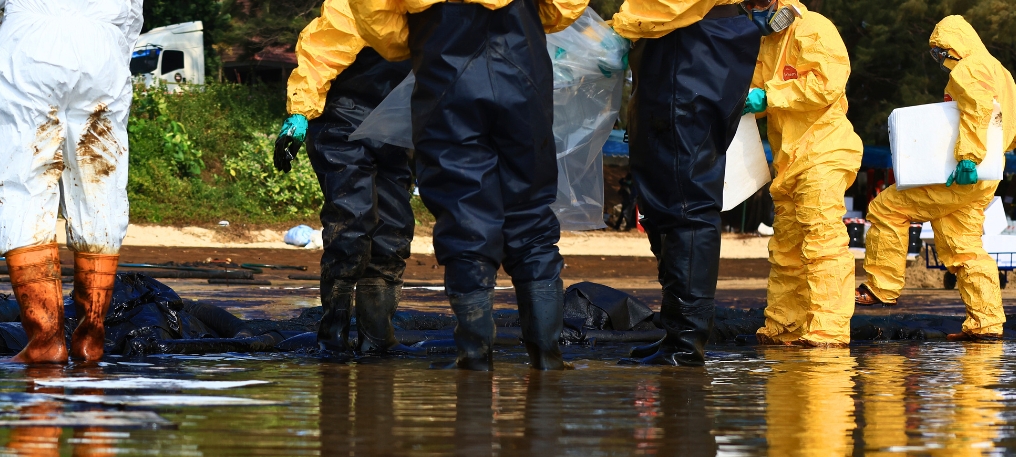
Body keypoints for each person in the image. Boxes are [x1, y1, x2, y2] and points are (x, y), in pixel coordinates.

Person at [348, 0, 593, 370]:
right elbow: (565, 6)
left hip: (445, 63)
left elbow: (377, 20)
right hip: (521, 59)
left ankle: (475, 356)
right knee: (530, 211)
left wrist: (416, 36)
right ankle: (547, 356)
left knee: (463, 210)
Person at [0, 0, 142, 363]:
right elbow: (132, 17)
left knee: (24, 184)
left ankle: (46, 341)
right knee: (100, 186)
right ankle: (91, 339)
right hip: (103, 50)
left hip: (30, 48)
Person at [612, 0, 761, 366]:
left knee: (685, 199)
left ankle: (686, 341)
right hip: (688, 44)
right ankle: (678, 331)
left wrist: (620, 24)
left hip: (690, 45)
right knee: (664, 194)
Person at [857, 15, 1015, 342]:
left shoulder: (970, 68)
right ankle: (985, 325)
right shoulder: (1001, 71)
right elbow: (1004, 122)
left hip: (965, 171)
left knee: (887, 208)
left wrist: (969, 157)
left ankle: (881, 287)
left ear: (952, 45)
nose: (939, 59)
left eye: (939, 51)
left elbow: (977, 109)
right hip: (986, 174)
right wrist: (987, 158)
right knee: (965, 249)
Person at [274, 0, 414, 354]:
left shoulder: (437, 10)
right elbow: (321, 55)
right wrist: (299, 114)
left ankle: (377, 339)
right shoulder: (355, 4)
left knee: (393, 232)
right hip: (342, 122)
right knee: (352, 225)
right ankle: (332, 337)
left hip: (397, 128)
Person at [743, 0, 862, 347]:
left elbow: (827, 84)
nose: (756, 10)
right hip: (790, 159)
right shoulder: (767, 44)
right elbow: (754, 94)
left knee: (822, 240)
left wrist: (770, 95)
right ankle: (784, 326)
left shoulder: (814, 28)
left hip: (825, 150)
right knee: (787, 249)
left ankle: (828, 330)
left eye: (761, 2)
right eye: (749, 4)